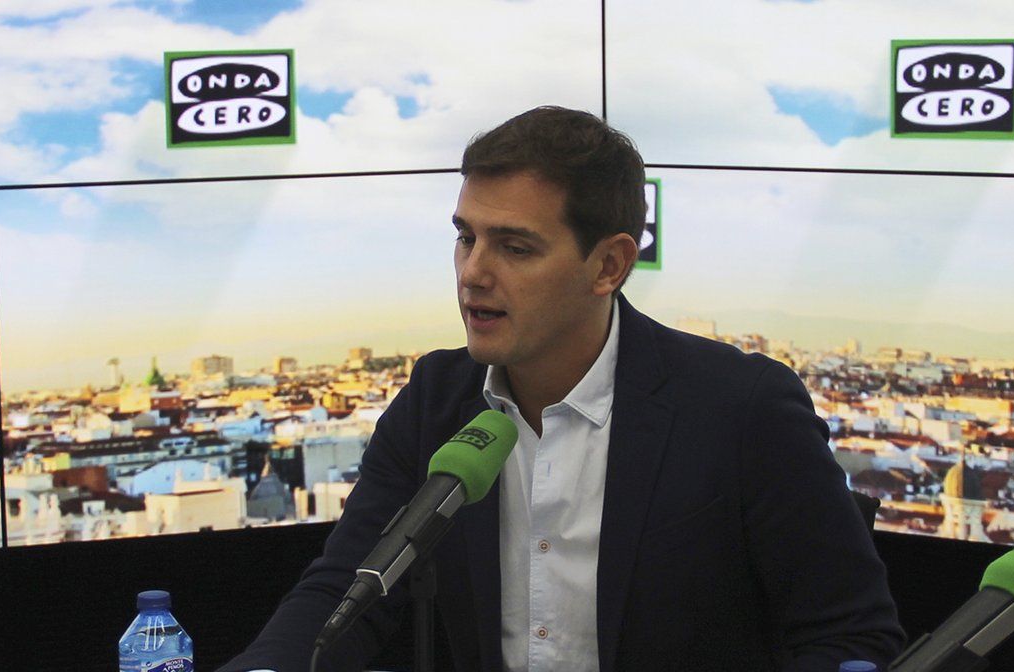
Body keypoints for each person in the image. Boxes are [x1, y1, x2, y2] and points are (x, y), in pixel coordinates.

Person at [218, 106, 904, 672]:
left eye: (514, 247)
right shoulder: (436, 397)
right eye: (465, 238)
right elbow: (348, 591)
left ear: (609, 265)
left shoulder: (740, 407)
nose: (473, 273)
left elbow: (849, 635)